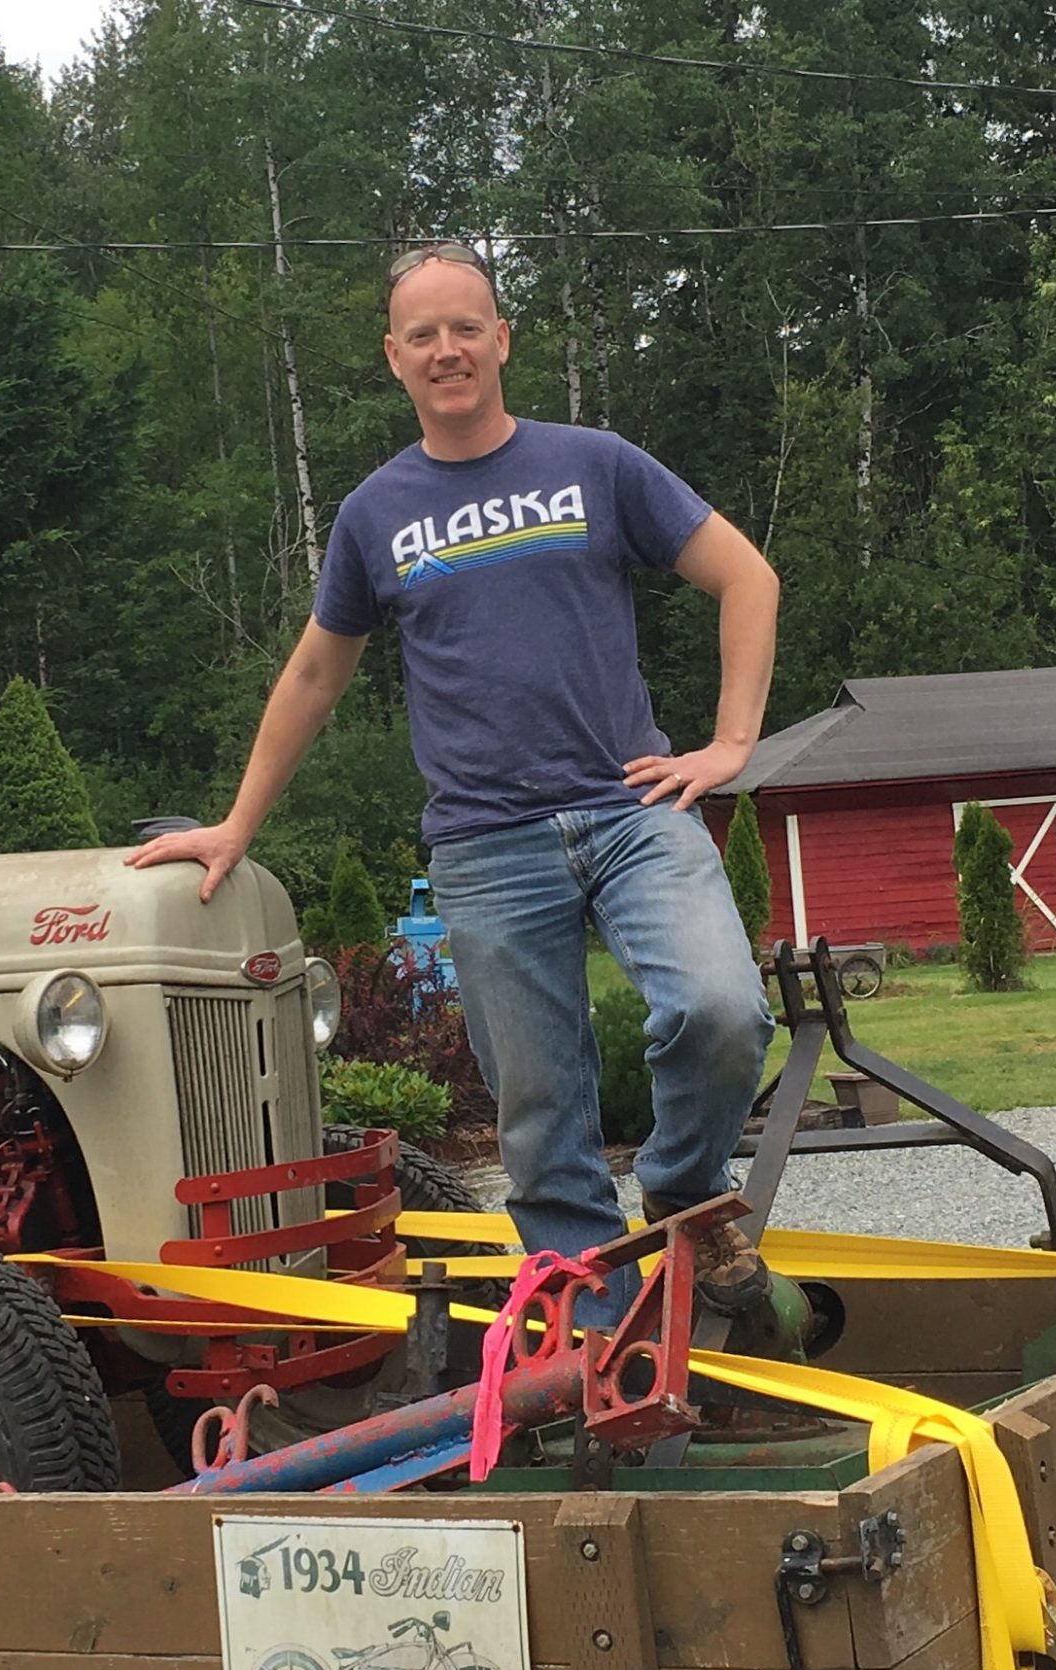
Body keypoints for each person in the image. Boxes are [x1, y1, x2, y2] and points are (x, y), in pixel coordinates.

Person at [128, 239, 778, 1313]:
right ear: (392, 357)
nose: (446, 349)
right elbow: (311, 674)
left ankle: (682, 1190)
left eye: (464, 326)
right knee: (538, 1115)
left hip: (628, 810)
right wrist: (235, 825)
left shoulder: (595, 464)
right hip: (483, 845)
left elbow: (742, 575)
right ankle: (595, 1336)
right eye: (421, 334)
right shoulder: (373, 514)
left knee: (718, 1008)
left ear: (501, 338)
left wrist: (728, 744)